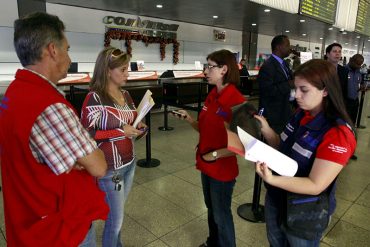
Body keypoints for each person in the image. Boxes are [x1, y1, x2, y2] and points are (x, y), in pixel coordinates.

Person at [0, 12, 109, 247]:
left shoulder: (14, 92)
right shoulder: (48, 105)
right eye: (67, 49)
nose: (69, 58)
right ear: (52, 50)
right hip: (58, 230)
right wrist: (82, 156)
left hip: (27, 218)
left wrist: (77, 157)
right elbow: (99, 166)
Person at [254, 59, 356, 247]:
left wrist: (272, 179)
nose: (296, 95)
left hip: (304, 212)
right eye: (296, 88)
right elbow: (282, 146)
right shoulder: (301, 114)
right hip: (278, 199)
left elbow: (316, 184)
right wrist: (266, 129)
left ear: (325, 90)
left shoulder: (338, 133)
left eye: (304, 90)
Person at [175, 50, 246, 247]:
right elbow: (204, 127)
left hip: (221, 169)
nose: (206, 70)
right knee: (211, 208)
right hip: (206, 163)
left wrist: (214, 155)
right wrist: (189, 119)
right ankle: (213, 242)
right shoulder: (213, 94)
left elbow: (243, 146)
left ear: (224, 69)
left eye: (210, 66)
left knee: (221, 213)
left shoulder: (236, 101)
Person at [80, 47, 147, 247]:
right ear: (108, 70)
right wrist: (119, 131)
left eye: (128, 69)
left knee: (116, 216)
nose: (128, 74)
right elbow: (86, 134)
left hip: (130, 163)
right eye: (123, 70)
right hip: (111, 169)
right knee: (116, 220)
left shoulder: (126, 95)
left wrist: (140, 126)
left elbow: (133, 123)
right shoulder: (95, 98)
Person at [257, 35, 294, 133]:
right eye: (287, 45)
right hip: (274, 115)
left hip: (285, 111)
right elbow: (267, 91)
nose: (289, 48)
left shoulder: (284, 64)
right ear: (278, 47)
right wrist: (289, 84)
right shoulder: (268, 66)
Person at [345, 54, 364, 125]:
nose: (358, 66)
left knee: (353, 121)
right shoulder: (343, 70)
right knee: (344, 122)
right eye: (357, 64)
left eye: (360, 64)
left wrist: (361, 87)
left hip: (355, 101)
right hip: (346, 102)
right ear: (351, 60)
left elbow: (359, 83)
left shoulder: (358, 72)